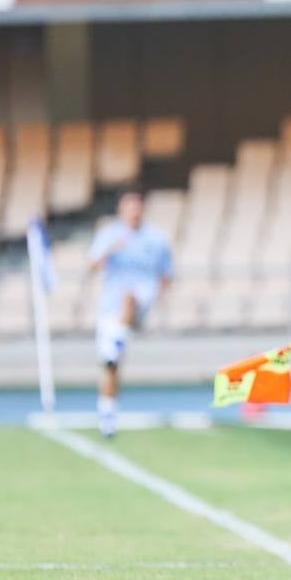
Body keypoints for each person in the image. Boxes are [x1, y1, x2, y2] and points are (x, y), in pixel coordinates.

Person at [87, 187, 173, 438]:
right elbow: (91, 265)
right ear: (121, 210)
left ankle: (118, 340)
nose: (134, 212)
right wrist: (109, 250)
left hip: (142, 299)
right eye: (129, 207)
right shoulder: (109, 234)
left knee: (129, 296)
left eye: (138, 207)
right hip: (110, 309)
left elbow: (167, 273)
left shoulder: (155, 238)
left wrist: (161, 296)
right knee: (110, 365)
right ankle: (107, 417)